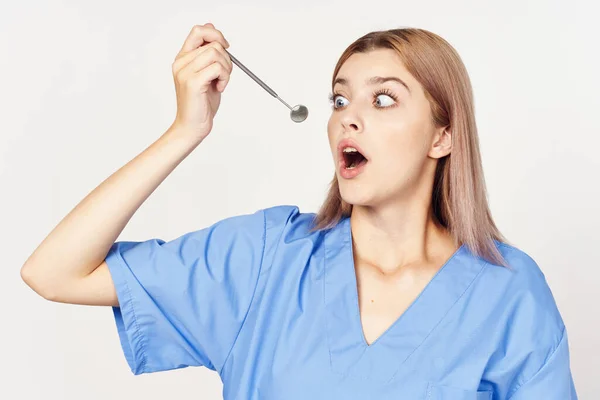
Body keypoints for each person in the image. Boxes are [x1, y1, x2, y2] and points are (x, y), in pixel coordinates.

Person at [21, 22, 577, 399]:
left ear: (442, 136)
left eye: (382, 99)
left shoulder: (508, 294)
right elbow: (54, 272)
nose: (347, 119)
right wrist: (186, 129)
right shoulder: (266, 258)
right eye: (340, 99)